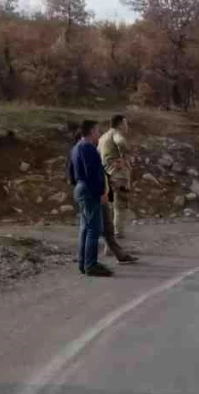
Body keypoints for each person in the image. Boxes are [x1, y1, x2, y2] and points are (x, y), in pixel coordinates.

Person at [69, 120, 112, 277]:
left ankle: (84, 262)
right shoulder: (88, 148)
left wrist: (78, 185)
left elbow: (71, 171)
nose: (99, 135)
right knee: (93, 228)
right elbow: (93, 174)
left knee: (85, 227)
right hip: (89, 190)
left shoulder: (75, 148)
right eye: (97, 131)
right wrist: (101, 192)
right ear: (92, 131)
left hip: (80, 187)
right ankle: (91, 264)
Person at [98, 114, 138, 263]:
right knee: (120, 209)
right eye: (126, 124)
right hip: (118, 177)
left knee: (109, 210)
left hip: (106, 175)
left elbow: (98, 154)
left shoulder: (102, 138)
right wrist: (126, 156)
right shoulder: (117, 135)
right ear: (120, 124)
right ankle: (113, 246)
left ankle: (110, 245)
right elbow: (120, 142)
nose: (127, 127)